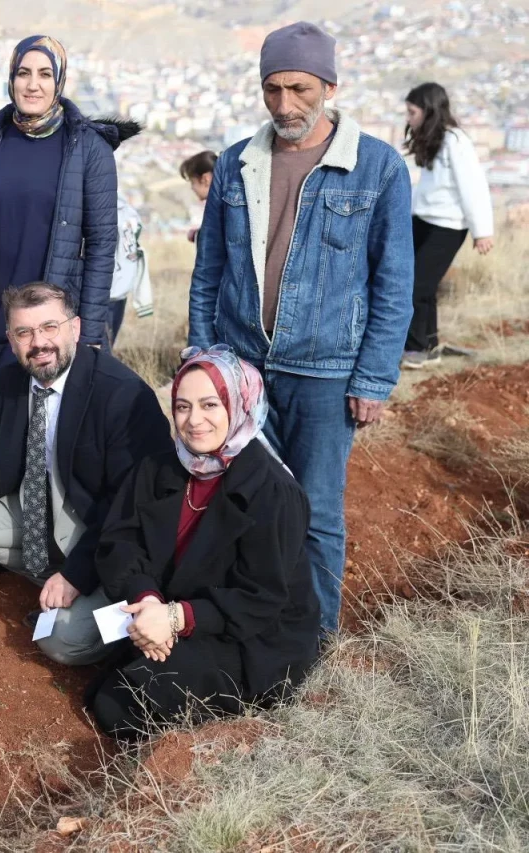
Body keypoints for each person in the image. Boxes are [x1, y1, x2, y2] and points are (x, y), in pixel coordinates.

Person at [187, 21, 414, 636]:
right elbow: (208, 269)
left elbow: (395, 284)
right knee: (246, 505)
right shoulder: (237, 163)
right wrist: (202, 358)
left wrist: (373, 377)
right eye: (272, 89)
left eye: (299, 88)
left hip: (325, 372)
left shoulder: (378, 168)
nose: (285, 104)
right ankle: (253, 630)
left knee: (315, 515)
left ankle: (312, 642)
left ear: (330, 86)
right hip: (242, 365)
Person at [0, 283, 173, 659]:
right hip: (52, 520)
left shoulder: (121, 395)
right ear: (10, 339)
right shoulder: (10, 382)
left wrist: (78, 574)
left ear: (75, 327)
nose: (38, 342)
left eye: (49, 327)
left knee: (59, 642)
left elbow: (129, 508)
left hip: (114, 541)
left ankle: (123, 617)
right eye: (24, 332)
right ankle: (55, 580)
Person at [81, 346, 319, 739]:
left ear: (240, 404)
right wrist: (149, 599)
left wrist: (175, 619)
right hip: (167, 609)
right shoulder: (161, 465)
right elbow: (121, 539)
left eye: (210, 404)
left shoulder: (274, 492)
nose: (194, 421)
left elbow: (259, 599)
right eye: (182, 406)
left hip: (251, 637)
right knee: (103, 681)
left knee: (119, 706)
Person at [0, 34, 140, 369]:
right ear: (11, 78)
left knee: (40, 421)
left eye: (45, 74)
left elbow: (103, 245)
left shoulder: (88, 147)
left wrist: (89, 332)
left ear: (59, 81)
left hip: (51, 328)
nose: (33, 85)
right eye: (23, 73)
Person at [402, 81, 495, 369]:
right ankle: (429, 344)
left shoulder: (456, 141)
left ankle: (417, 349)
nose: (408, 118)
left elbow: (473, 187)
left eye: (412, 111)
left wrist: (482, 231)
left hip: (449, 226)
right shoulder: (434, 140)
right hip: (423, 220)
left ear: (429, 111)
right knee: (422, 287)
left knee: (417, 286)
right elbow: (430, 188)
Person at [108, 194, 153, 345]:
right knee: (107, 343)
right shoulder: (128, 211)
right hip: (121, 286)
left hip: (107, 288)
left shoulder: (113, 210)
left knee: (101, 347)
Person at [180, 150, 218, 243]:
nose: (192, 188)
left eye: (193, 182)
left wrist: (198, 236)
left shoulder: (219, 208)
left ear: (205, 179)